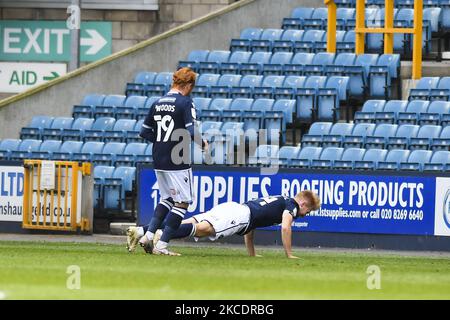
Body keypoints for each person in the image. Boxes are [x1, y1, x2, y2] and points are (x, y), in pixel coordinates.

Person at [133, 67, 208, 256]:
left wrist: (162, 142)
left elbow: (144, 132)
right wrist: (203, 143)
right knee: (183, 202)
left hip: (159, 156)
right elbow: (191, 132)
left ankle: (148, 236)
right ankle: (162, 245)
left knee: (167, 198)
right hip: (178, 158)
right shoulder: (185, 102)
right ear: (189, 85)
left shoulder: (157, 102)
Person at [127, 191, 320, 258]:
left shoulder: (280, 199)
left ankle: (141, 231)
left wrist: (252, 253)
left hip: (235, 208)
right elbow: (286, 227)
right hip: (241, 216)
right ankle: (159, 238)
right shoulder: (292, 206)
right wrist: (289, 253)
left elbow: (251, 228)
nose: (305, 214)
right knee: (203, 229)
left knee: (189, 221)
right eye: (308, 210)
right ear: (303, 203)